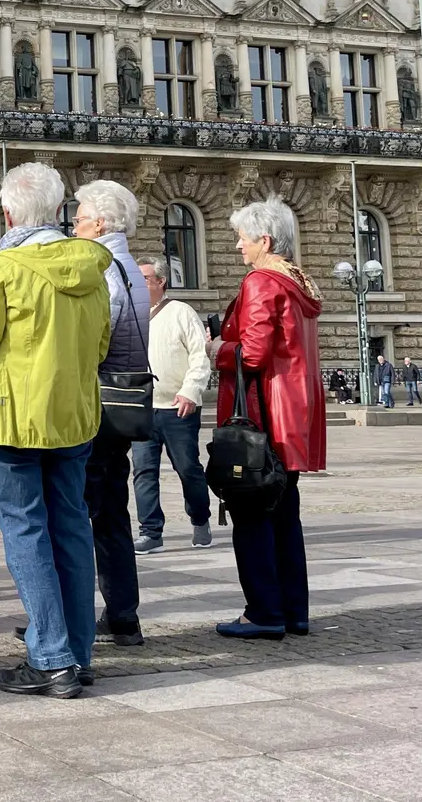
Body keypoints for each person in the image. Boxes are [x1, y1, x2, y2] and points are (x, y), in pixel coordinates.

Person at [0, 162, 112, 698]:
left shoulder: (5, 268)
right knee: (71, 529)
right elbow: (100, 346)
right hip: (72, 416)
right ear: (58, 211)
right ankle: (78, 653)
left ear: (7, 215)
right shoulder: (92, 268)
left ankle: (50, 657)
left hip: (10, 419)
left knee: (26, 531)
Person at [209, 196, 324, 640]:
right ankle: (294, 611)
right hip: (293, 409)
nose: (238, 246)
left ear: (265, 240)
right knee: (285, 513)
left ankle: (263, 611)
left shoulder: (261, 282)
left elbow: (252, 354)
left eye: (243, 238)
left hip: (263, 413)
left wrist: (217, 348)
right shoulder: (299, 282)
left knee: (253, 512)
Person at [71, 179, 148, 646]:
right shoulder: (131, 266)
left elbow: (98, 336)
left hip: (98, 404)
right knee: (112, 514)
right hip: (122, 405)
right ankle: (122, 615)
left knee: (81, 512)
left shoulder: (103, 268)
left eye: (79, 218)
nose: (74, 225)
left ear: (100, 223)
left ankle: (74, 618)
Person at [131, 254, 213, 552]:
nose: (136, 284)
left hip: (179, 408)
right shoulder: (131, 314)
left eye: (144, 279)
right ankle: (150, 531)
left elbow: (199, 355)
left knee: (187, 468)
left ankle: (200, 518)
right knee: (143, 472)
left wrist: (190, 391)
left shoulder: (181, 312)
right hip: (142, 409)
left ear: (161, 281)